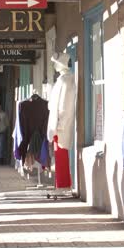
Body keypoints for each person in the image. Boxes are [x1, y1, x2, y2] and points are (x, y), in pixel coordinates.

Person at [47, 52, 76, 188]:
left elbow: (65, 104)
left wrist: (61, 124)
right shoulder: (62, 79)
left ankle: (63, 184)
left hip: (60, 125)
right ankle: (61, 184)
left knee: (61, 156)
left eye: (56, 63)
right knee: (59, 157)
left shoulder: (66, 80)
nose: (54, 65)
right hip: (56, 124)